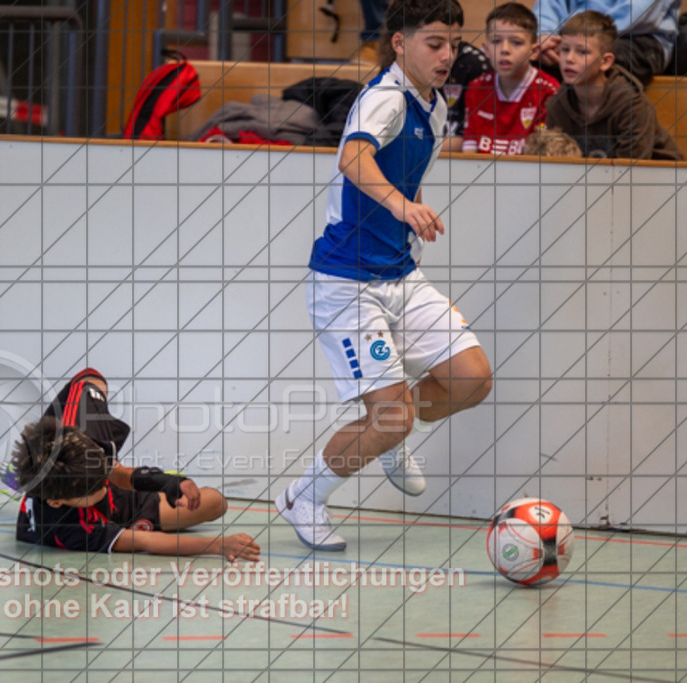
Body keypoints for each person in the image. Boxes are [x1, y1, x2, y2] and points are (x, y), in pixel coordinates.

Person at [276, 0, 493, 551]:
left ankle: (392, 433)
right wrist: (402, 206)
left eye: (453, 44)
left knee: (472, 379)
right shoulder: (385, 97)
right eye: (434, 43)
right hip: (348, 285)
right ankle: (305, 497)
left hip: (402, 276)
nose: (447, 55)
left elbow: (408, 175)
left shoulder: (436, 106)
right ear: (400, 43)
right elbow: (353, 158)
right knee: (390, 417)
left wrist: (411, 208)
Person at [5, 368, 260, 562]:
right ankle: (20, 478)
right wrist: (217, 545)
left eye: (100, 477)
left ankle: (19, 475)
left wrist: (166, 481)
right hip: (118, 516)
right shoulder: (69, 529)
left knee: (218, 502)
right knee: (214, 503)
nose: (102, 488)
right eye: (93, 488)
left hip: (105, 491)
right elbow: (146, 541)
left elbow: (89, 377)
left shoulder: (81, 434)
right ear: (58, 501)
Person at [545, 10, 683, 159]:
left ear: (605, 62)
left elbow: (632, 172)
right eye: (565, 50)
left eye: (582, 52)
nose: (569, 59)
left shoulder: (631, 105)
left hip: (659, 179)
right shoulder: (557, 105)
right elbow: (556, 166)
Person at [462, 3, 560, 155]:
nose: (505, 49)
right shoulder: (477, 87)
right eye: (496, 41)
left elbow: (545, 158)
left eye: (516, 42)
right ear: (486, 50)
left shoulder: (549, 92)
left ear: (534, 52)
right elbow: (469, 151)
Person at [534, 0, 681, 85]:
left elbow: (633, 14)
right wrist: (545, 34)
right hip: (572, 33)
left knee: (596, 62)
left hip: (638, 37)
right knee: (529, 54)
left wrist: (574, 40)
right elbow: (549, 5)